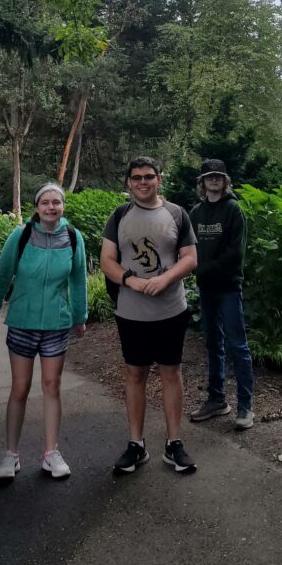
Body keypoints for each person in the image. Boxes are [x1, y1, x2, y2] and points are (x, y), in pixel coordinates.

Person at [0, 183, 87, 484]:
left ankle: (51, 453)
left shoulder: (72, 237)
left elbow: (78, 280)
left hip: (56, 324)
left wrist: (80, 317)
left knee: (52, 386)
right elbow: (2, 276)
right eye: (45, 202)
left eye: (57, 202)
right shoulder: (21, 235)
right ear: (36, 206)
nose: (51, 207)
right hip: (23, 322)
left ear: (63, 206)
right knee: (20, 388)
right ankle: (11, 455)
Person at [100, 157, 199, 475]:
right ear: (128, 182)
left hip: (171, 309)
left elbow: (190, 257)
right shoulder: (119, 216)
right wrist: (131, 280)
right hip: (131, 311)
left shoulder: (177, 214)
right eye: (136, 177)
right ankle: (136, 444)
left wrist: (165, 279)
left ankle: (174, 444)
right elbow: (107, 260)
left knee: (171, 373)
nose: (143, 182)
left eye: (149, 176)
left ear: (159, 179)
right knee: (135, 375)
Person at [188, 159, 254, 430]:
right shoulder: (195, 213)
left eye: (218, 176)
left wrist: (202, 270)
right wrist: (194, 270)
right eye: (208, 177)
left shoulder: (233, 210)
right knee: (213, 343)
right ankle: (217, 400)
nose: (213, 180)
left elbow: (234, 254)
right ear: (202, 183)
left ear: (225, 181)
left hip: (228, 287)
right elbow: (187, 247)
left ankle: (245, 406)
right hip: (206, 288)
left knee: (237, 345)